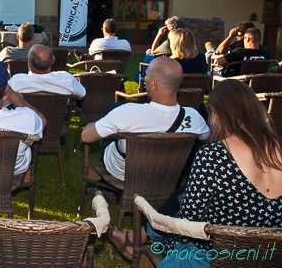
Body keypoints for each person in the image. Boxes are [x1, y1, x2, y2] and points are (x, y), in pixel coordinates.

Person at [108, 80, 282, 266]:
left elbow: (189, 221)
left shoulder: (214, 155)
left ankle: (136, 239)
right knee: (181, 197)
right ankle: (137, 236)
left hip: (213, 257)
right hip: (269, 256)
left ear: (216, 112)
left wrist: (156, 219)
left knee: (180, 224)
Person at [81, 57, 210, 181]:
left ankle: (104, 185)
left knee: (112, 124)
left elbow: (86, 136)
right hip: (169, 174)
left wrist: (96, 124)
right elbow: (207, 140)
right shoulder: (194, 117)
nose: (143, 78)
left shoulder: (127, 113)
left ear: (154, 84)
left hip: (126, 173)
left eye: (146, 75)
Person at [8, 45, 86, 99]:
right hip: (57, 120)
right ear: (53, 60)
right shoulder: (66, 79)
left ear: (30, 63)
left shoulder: (17, 81)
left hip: (27, 122)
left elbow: (3, 98)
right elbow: (82, 94)